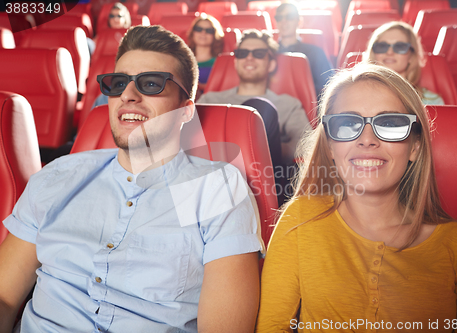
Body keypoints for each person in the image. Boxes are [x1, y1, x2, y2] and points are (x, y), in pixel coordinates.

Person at [0, 25, 263, 333]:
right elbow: (4, 297)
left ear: (186, 110)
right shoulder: (57, 176)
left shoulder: (217, 189)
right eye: (118, 82)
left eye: (151, 83)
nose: (128, 95)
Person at [255, 64, 457, 332]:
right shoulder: (301, 218)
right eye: (348, 124)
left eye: (390, 123)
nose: (367, 139)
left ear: (415, 147)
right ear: (330, 146)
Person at [197, 29, 311, 167]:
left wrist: (263, 148)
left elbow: (306, 144)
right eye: (242, 53)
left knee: (261, 107)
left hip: (265, 177)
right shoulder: (209, 100)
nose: (249, 58)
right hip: (210, 174)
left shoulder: (288, 104)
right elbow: (187, 138)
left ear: (271, 65)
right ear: (235, 62)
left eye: (258, 54)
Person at [363, 21, 445, 105]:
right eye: (382, 46)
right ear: (373, 53)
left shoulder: (433, 102)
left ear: (411, 56)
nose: (389, 52)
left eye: (400, 47)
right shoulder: (358, 96)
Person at [274, 2, 332, 97]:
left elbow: (328, 84)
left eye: (289, 17)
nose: (283, 21)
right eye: (279, 18)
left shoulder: (315, 52)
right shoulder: (269, 52)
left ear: (299, 21)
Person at [187, 13, 224, 95]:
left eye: (209, 30)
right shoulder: (183, 60)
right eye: (199, 29)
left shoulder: (220, 63)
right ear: (193, 33)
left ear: (215, 35)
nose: (203, 33)